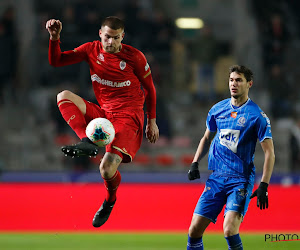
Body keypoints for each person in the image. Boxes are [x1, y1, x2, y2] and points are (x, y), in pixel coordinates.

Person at [45, 16, 159, 228]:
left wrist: (151, 121)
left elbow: (150, 89)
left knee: (106, 169)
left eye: (115, 38)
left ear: (122, 37)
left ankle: (109, 201)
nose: (110, 42)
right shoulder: (91, 49)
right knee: (63, 96)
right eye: (107, 37)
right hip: (104, 114)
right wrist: (54, 38)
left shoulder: (135, 57)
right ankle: (86, 141)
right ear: (100, 34)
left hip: (128, 118)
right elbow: (56, 61)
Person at [186, 65, 275, 250]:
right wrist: (195, 162)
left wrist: (264, 185)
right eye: (231, 80)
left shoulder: (256, 116)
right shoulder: (217, 109)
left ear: (249, 84)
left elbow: (269, 152)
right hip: (217, 177)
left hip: (240, 180)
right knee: (194, 231)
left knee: (229, 230)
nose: (234, 84)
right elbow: (206, 137)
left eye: (239, 80)